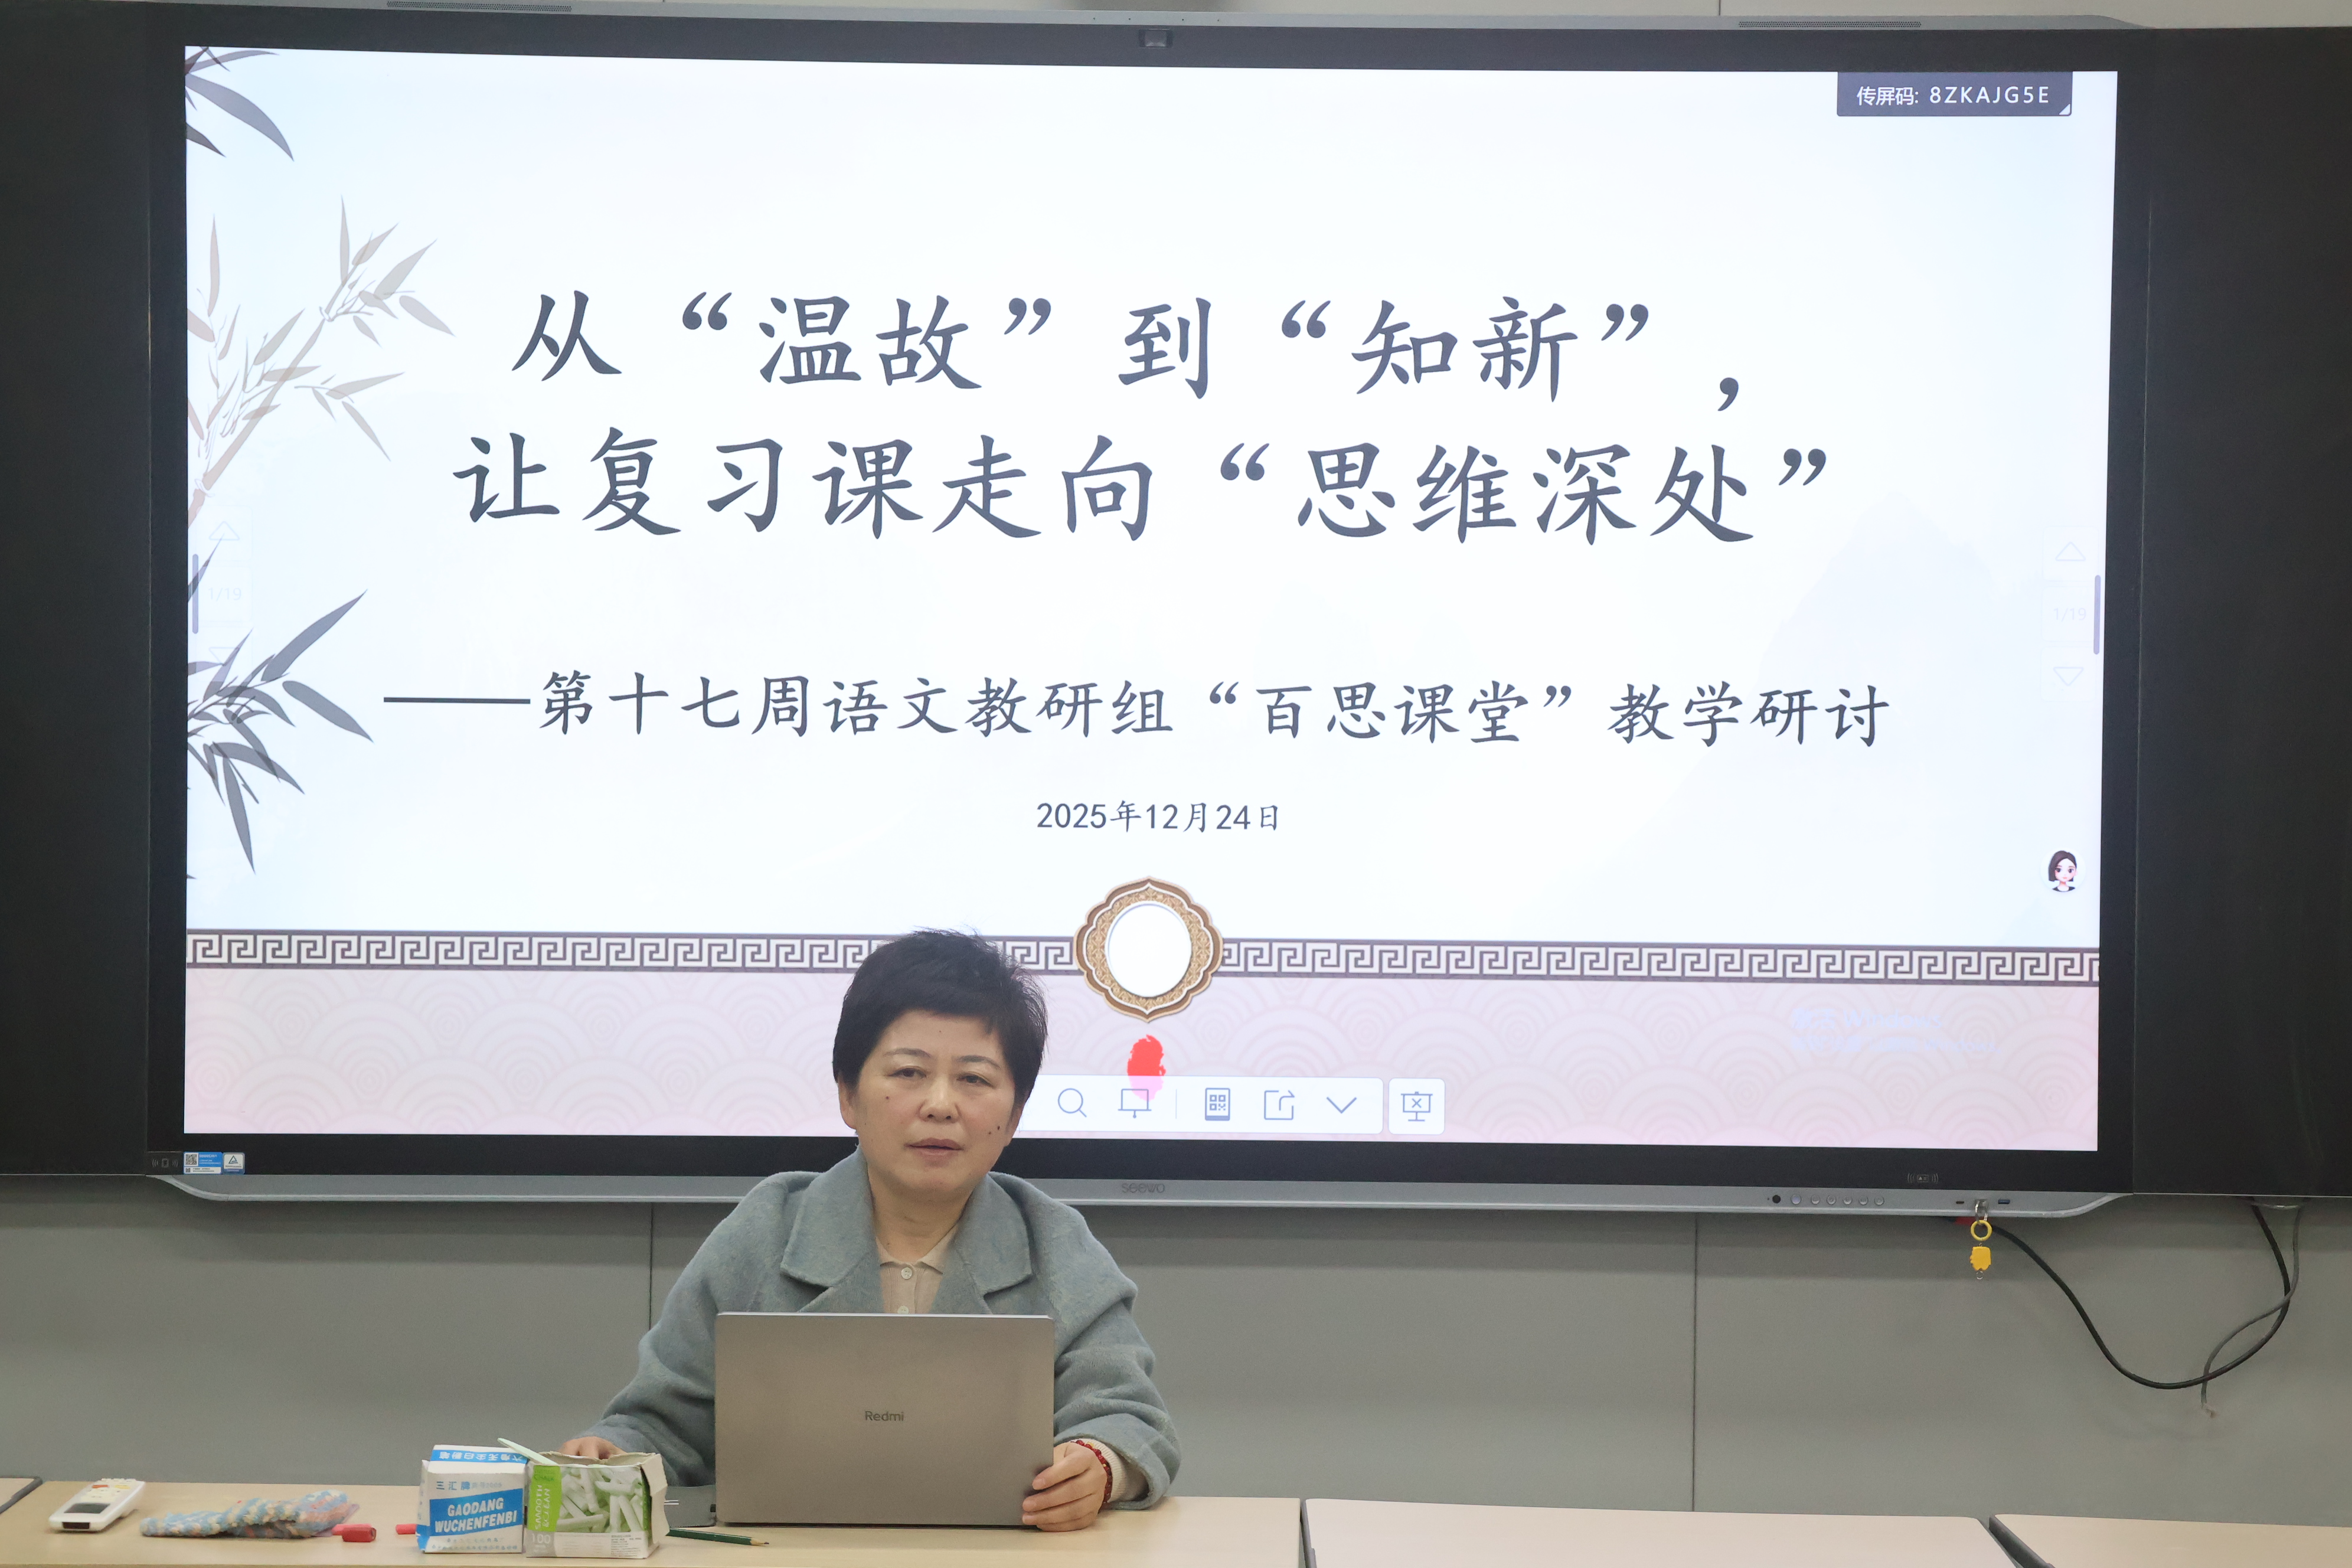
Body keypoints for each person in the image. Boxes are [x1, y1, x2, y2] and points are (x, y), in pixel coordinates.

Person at [556, 930, 1178, 1530]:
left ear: (1014, 1116)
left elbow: (1129, 1416)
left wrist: (1101, 1465)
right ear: (848, 1095)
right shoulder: (766, 1228)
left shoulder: (1055, 1241)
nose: (940, 1104)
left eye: (975, 1079)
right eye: (908, 1073)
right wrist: (613, 1451)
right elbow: (663, 1423)